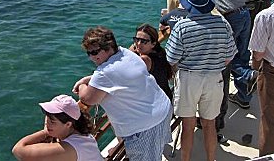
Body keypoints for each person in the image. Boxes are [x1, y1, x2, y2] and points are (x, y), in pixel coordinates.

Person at [72, 26, 172, 161]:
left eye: (95, 52)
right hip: (163, 109)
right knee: (155, 153)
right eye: (89, 53)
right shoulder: (126, 53)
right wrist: (90, 79)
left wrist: (83, 84)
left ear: (108, 48)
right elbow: (118, 74)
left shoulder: (105, 72)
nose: (92, 57)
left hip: (145, 127)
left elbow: (88, 98)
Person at [166, 0, 237, 161]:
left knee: (188, 125)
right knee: (209, 124)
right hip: (214, 79)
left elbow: (171, 59)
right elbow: (229, 57)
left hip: (189, 79)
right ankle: (211, 159)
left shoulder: (182, 27)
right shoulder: (223, 24)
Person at [194, 0, 256, 127]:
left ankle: (246, 76)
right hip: (244, 13)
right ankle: (244, 97)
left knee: (225, 60)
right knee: (242, 55)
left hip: (230, 17)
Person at [248, 0, 274, 156]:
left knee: (271, 118)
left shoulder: (265, 16)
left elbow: (258, 52)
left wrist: (255, 67)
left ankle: (270, 156)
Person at [12, 94, 103, 161]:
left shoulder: (71, 147)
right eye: (47, 116)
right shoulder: (83, 135)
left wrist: (45, 132)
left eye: (52, 121)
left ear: (68, 124)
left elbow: (18, 150)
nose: (47, 123)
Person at [129, 23, 173, 100]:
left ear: (153, 44)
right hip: (166, 97)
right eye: (137, 39)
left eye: (143, 41)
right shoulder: (160, 52)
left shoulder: (144, 59)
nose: (138, 44)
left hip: (157, 103)